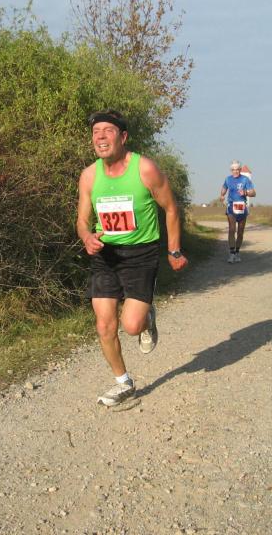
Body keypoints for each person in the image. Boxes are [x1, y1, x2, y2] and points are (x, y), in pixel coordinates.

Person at [77, 110, 188, 407]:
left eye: (108, 131)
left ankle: (146, 318)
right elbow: (82, 220)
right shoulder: (89, 176)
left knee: (131, 326)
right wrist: (86, 237)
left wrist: (174, 250)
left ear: (123, 137)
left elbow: (171, 208)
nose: (100, 137)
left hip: (141, 255)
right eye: (96, 132)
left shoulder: (145, 169)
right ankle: (123, 383)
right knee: (104, 325)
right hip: (105, 255)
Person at [219, 160, 256, 263]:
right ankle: (231, 254)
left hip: (242, 207)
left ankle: (237, 252)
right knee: (232, 229)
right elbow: (224, 188)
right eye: (233, 170)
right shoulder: (228, 179)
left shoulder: (245, 179)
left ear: (240, 169)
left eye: (237, 169)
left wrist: (245, 192)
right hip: (231, 206)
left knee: (240, 232)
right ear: (231, 170)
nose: (235, 171)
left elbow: (253, 193)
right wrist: (222, 195)